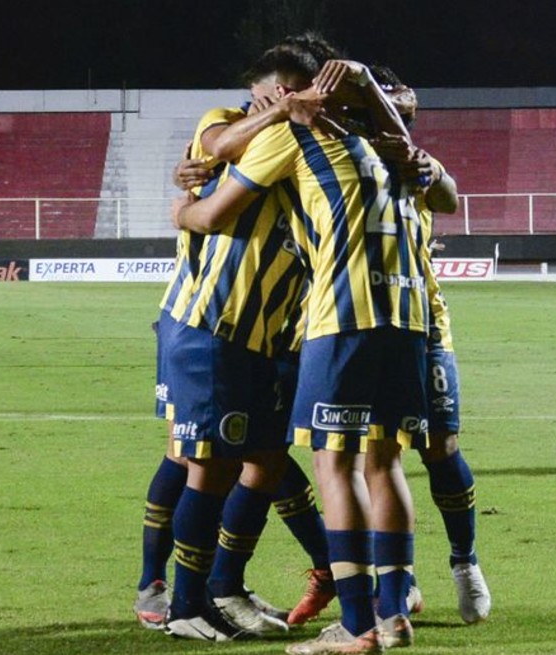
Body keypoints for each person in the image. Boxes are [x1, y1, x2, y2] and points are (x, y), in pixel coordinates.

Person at [175, 55, 428, 655]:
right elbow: (443, 190)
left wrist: (182, 204)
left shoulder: (293, 136)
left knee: (332, 466)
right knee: (384, 463)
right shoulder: (395, 149)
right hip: (409, 319)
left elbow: (213, 205)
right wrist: (364, 86)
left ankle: (357, 625)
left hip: (341, 317)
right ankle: (393, 611)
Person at [139, 41, 337, 642]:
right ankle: (178, 600)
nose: (255, 104)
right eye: (257, 96)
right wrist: (185, 207)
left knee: (265, 458)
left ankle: (223, 587)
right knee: (201, 461)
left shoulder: (308, 141)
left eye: (267, 95)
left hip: (269, 335)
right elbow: (218, 150)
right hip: (212, 322)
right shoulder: (230, 123)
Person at [365, 63, 493, 626]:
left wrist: (425, 165)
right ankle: (400, 581)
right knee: (378, 456)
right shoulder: (342, 161)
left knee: (441, 446)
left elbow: (449, 196)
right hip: (365, 324)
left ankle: (465, 562)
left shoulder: (415, 161)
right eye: (390, 115)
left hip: (425, 321)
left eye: (406, 118)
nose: (400, 126)